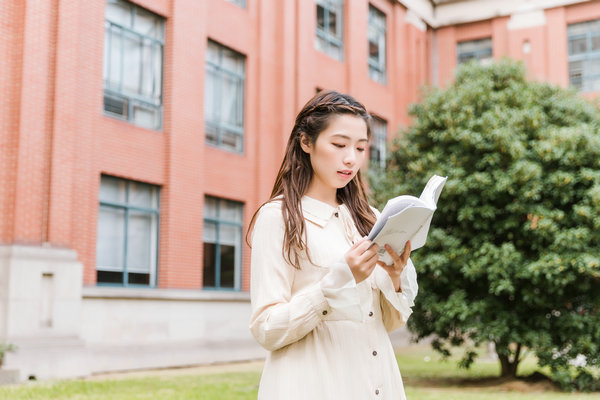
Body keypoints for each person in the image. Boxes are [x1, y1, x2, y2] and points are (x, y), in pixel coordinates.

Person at [248, 90, 418, 400]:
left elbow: (388, 323)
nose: (351, 158)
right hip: (314, 385)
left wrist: (395, 276)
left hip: (379, 384)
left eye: (360, 147)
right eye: (339, 145)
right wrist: (338, 281)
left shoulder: (370, 219)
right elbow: (267, 329)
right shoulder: (279, 217)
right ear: (306, 142)